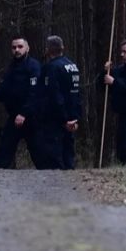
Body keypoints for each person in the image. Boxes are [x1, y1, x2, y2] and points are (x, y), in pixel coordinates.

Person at [0, 36, 41, 169]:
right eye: (14, 47)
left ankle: (52, 180)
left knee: (40, 154)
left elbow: (35, 94)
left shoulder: (34, 67)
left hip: (31, 118)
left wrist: (24, 114)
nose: (17, 50)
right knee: (4, 152)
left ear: (27, 48)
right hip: (14, 118)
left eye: (20, 47)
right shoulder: (10, 68)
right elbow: (5, 93)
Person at [32, 35, 81, 170]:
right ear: (62, 48)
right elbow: (76, 93)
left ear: (47, 50)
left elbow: (54, 95)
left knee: (54, 157)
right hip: (71, 115)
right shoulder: (72, 66)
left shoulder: (51, 68)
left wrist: (64, 118)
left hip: (55, 118)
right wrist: (75, 117)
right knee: (68, 151)